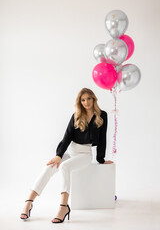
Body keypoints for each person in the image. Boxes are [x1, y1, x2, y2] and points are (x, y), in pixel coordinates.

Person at [20, 87, 114, 223]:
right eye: (83, 100)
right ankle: (29, 202)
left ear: (94, 99)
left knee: (64, 167)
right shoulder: (76, 115)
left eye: (88, 98)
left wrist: (101, 159)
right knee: (50, 167)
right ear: (80, 102)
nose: (86, 102)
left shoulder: (102, 115)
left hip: (84, 155)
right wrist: (59, 155)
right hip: (71, 152)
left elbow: (103, 139)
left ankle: (63, 206)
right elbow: (67, 137)